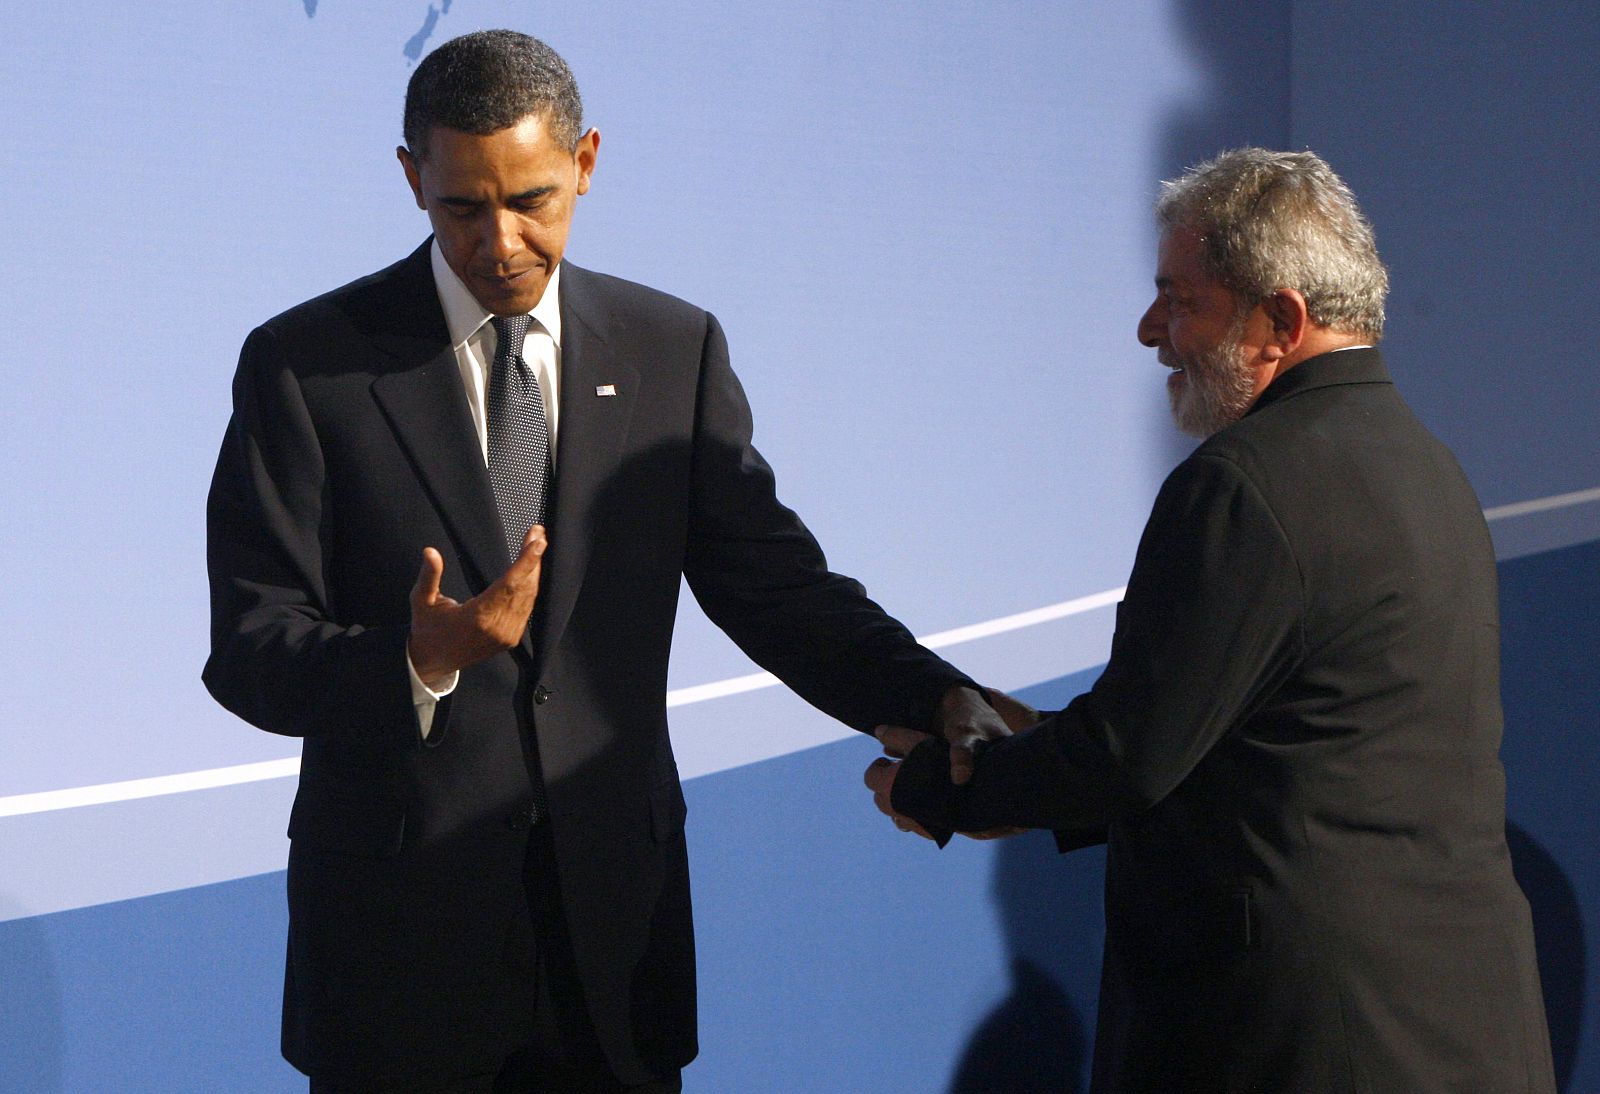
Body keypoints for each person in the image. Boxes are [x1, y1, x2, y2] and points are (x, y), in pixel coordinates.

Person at [203, 29, 1004, 1092]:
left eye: (533, 198)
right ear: (411, 180)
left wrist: (932, 693)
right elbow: (251, 646)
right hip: (400, 955)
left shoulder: (671, 350)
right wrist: (416, 657)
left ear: (585, 160)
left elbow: (777, 589)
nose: (500, 242)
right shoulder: (306, 366)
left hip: (612, 944)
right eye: (461, 206)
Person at [868, 148, 1557, 1092]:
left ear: (1281, 320)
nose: (1151, 330)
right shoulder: (1425, 465)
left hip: (1299, 1035)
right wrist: (1047, 739)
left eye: (1180, 300)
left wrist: (950, 791)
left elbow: (1134, 755)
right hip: (1448, 1020)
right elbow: (1269, 737)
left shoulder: (1241, 485)